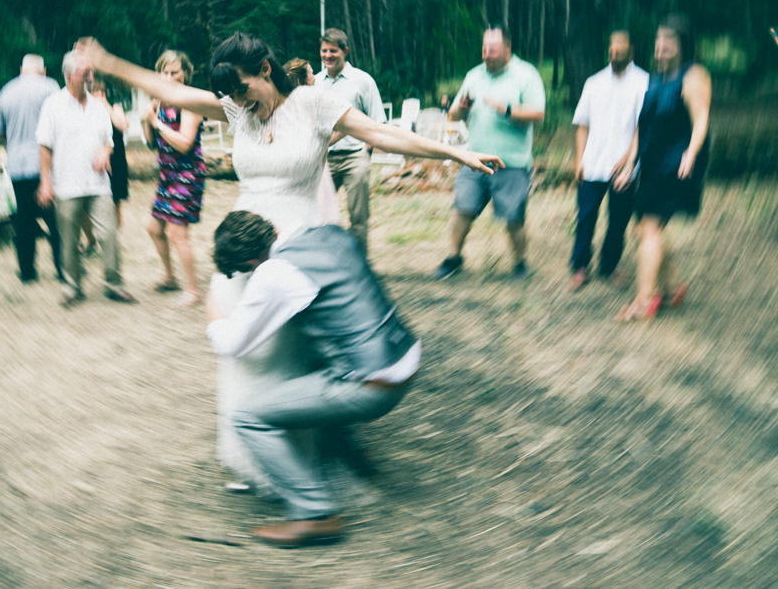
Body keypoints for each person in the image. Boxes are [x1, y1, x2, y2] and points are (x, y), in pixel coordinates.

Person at [77, 31, 502, 492]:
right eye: (231, 96)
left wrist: (455, 152)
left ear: (265, 69)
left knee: (289, 354)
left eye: (244, 89)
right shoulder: (237, 109)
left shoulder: (314, 105)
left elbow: (381, 133)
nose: (240, 102)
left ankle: (304, 451)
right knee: (246, 356)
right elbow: (173, 92)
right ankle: (250, 458)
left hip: (295, 246)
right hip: (245, 245)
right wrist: (110, 63)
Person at [207, 211, 419, 547]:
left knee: (248, 417)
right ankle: (351, 453)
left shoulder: (276, 272)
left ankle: (314, 514)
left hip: (373, 385)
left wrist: (215, 313)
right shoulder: (326, 232)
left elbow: (232, 343)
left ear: (250, 261)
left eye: (248, 269)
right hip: (406, 355)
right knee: (317, 362)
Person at [614, 14, 710, 321]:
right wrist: (631, 163)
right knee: (642, 229)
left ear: (683, 44)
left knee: (650, 228)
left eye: (669, 40)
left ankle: (645, 300)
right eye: (658, 39)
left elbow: (701, 119)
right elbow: (645, 125)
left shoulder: (693, 75)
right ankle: (672, 287)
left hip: (677, 163)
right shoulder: (656, 78)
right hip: (653, 164)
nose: (661, 45)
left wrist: (690, 154)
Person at [438, 25, 546, 280]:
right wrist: (461, 109)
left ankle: (520, 263)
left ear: (507, 50)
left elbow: (538, 114)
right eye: (484, 48)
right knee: (462, 209)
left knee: (513, 218)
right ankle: (454, 258)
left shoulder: (526, 74)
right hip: (474, 159)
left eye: (492, 50)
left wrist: (506, 110)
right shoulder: (474, 76)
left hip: (511, 162)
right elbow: (453, 115)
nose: (486, 54)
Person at [37, 50, 135, 306]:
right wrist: (46, 182)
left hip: (98, 184)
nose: (91, 77)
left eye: (91, 72)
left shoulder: (98, 106)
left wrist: (105, 152)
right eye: (85, 72)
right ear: (69, 75)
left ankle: (114, 284)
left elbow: (109, 140)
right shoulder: (52, 105)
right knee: (68, 240)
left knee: (109, 234)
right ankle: (72, 288)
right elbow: (44, 146)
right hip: (66, 185)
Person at [569, 31, 649, 290]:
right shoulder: (594, 82)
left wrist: (628, 158)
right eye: (611, 49)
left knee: (618, 220)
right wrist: (579, 158)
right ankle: (580, 266)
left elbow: (642, 125)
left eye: (620, 49)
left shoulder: (643, 82)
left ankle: (609, 266)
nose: (614, 53)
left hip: (624, 167)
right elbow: (582, 123)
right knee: (585, 216)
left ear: (631, 51)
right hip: (593, 162)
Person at [0, 53, 63, 284]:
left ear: (21, 70)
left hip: (17, 166)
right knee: (55, 220)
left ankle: (27, 271)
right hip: (46, 164)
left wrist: (12, 138)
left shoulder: (6, 91)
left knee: (24, 220)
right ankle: (63, 268)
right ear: (43, 71)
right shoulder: (50, 87)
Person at [141, 50, 206, 307]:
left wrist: (156, 123)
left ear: (185, 74)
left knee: (177, 232)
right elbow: (150, 143)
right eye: (165, 72)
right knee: (154, 227)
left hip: (188, 173)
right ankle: (169, 277)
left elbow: (185, 144)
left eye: (174, 72)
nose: (169, 76)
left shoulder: (190, 103)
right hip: (167, 175)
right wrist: (147, 119)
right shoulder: (159, 102)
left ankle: (193, 290)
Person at [314, 28, 387, 253]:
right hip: (324, 159)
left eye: (333, 51)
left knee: (359, 217)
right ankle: (324, 261)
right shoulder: (315, 82)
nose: (328, 55)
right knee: (318, 214)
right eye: (324, 51)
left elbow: (377, 120)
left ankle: (358, 264)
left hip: (355, 156)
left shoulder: (362, 81)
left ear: (345, 51)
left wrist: (366, 150)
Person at [284, 57, 339, 226]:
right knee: (318, 218)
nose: (314, 77)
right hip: (312, 173)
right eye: (311, 73)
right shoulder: (310, 106)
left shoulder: (283, 106)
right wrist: (343, 131)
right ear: (302, 79)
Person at [90, 75, 130, 229]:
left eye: (100, 92)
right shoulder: (88, 113)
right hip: (97, 162)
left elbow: (123, 126)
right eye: (94, 92)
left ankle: (116, 236)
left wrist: (105, 106)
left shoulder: (115, 109)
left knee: (116, 201)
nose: (97, 95)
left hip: (117, 160)